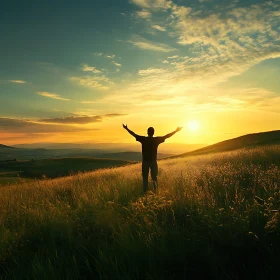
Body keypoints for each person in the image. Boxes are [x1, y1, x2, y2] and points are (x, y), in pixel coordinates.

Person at [122, 124, 183, 193]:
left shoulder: (143, 139)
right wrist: (176, 131)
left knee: (145, 178)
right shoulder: (156, 140)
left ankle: (145, 192)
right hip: (153, 162)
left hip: (145, 162)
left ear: (147, 132)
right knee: (154, 178)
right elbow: (167, 136)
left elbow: (133, 134)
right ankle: (155, 192)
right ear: (153, 133)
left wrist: (126, 129)